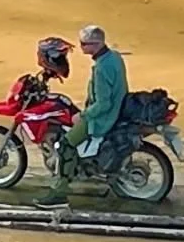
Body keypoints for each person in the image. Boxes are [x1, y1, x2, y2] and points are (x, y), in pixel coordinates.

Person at [38, 24, 126, 205]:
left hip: (103, 118)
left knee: (64, 145)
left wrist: (84, 116)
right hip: (117, 109)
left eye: (84, 44)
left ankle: (59, 194)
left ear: (96, 44)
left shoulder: (101, 69)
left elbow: (103, 103)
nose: (81, 47)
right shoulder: (114, 57)